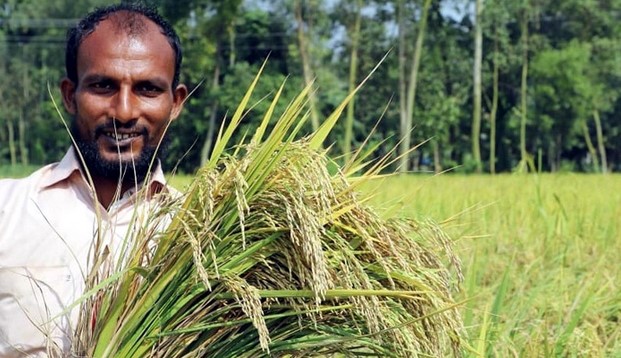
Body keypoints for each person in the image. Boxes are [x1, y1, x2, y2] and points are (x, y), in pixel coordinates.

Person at [0, 3, 188, 356]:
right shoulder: (6, 212)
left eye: (148, 89)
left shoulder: (199, 231)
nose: (125, 112)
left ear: (175, 102)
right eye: (103, 86)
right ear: (70, 95)